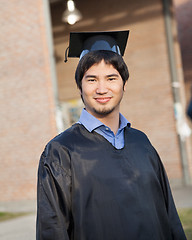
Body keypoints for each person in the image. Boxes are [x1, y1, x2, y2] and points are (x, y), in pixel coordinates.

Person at [36, 30, 186, 240]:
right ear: (80, 87)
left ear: (124, 84)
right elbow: (52, 229)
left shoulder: (142, 143)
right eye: (91, 80)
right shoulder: (61, 151)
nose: (102, 88)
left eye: (111, 78)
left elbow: (169, 215)